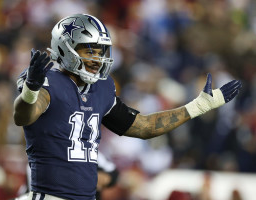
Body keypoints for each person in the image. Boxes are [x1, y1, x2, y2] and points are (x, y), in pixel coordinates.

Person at [13, 14, 242, 200]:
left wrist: (198, 106)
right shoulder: (45, 81)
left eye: (101, 51)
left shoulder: (101, 88)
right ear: (65, 48)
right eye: (89, 50)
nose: (97, 58)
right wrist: (31, 91)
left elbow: (143, 127)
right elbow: (24, 115)